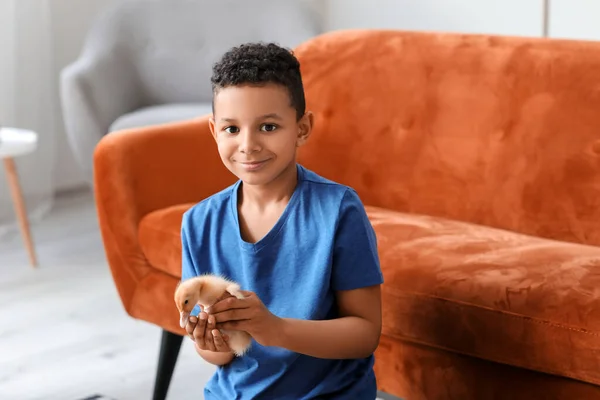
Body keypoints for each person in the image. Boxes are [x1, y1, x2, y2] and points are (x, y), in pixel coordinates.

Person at [180, 41, 384, 399]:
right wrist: (209, 339)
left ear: (302, 128)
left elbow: (365, 334)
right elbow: (219, 356)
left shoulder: (338, 210)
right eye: (231, 129)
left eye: (268, 127)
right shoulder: (198, 223)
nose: (248, 145)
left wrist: (276, 329)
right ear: (214, 131)